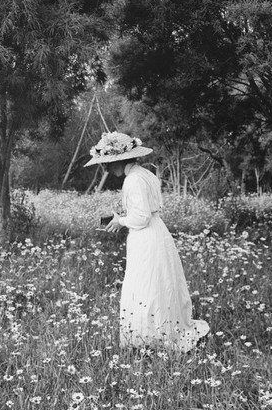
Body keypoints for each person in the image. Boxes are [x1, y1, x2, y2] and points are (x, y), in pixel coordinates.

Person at [85, 132, 209, 352]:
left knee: (146, 284)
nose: (105, 169)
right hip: (157, 232)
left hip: (145, 238)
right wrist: (124, 216)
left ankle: (150, 336)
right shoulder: (145, 174)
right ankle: (162, 329)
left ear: (119, 160)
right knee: (159, 282)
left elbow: (140, 218)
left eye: (107, 163)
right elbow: (147, 210)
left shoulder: (132, 180)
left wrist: (120, 221)